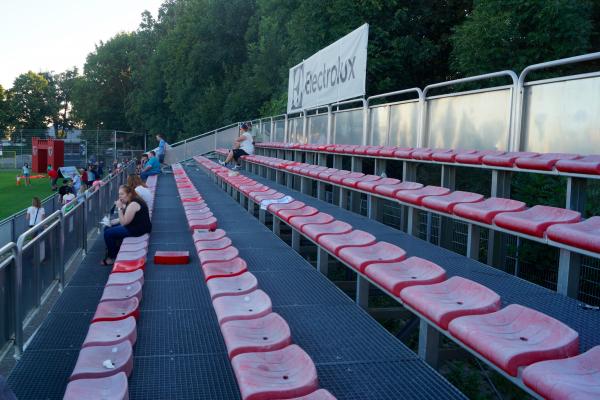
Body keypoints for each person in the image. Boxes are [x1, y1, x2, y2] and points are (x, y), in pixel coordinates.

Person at [102, 185, 152, 265]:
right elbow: (127, 217)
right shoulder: (132, 201)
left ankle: (112, 257)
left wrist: (119, 208)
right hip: (135, 225)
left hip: (138, 229)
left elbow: (124, 222)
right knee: (107, 228)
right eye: (119, 194)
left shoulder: (133, 204)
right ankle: (113, 250)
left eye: (122, 194)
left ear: (129, 194)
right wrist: (112, 222)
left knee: (108, 233)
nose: (120, 196)